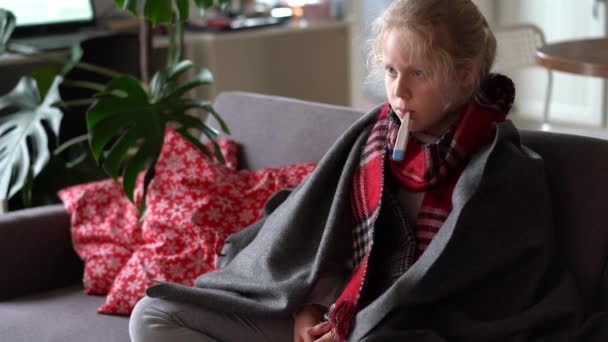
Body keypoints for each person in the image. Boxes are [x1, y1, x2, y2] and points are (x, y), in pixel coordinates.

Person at [129, 0, 602, 341]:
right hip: (331, 314)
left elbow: (491, 295)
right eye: (393, 72)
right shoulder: (371, 139)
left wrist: (359, 323)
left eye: (419, 73)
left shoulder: (506, 171)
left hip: (402, 327)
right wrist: (308, 312)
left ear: (463, 74)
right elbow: (323, 241)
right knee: (154, 314)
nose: (400, 91)